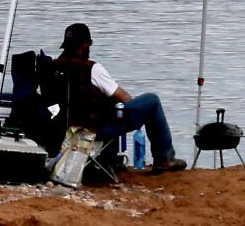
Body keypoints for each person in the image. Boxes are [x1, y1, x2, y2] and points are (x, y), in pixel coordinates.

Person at [53, 22, 186, 173]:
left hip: (62, 130)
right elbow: (123, 97)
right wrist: (136, 113)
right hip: (92, 130)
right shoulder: (92, 69)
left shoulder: (51, 67)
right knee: (151, 101)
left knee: (109, 107)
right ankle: (165, 158)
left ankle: (112, 159)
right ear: (86, 45)